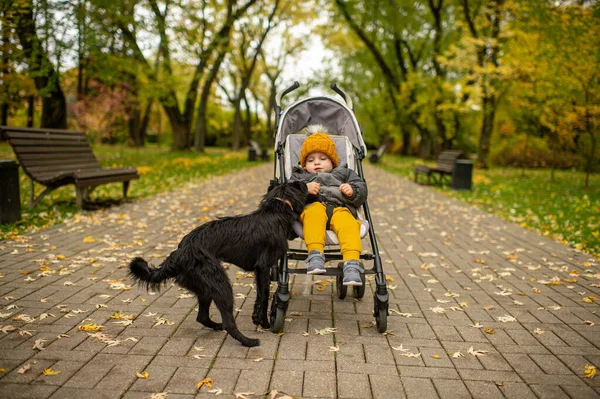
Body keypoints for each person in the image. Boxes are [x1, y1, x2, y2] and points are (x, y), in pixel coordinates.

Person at [290, 124, 367, 285]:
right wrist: (304, 189)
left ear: (333, 161)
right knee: (314, 213)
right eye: (311, 160)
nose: (317, 163)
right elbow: (286, 194)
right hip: (313, 207)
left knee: (350, 225)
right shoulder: (300, 176)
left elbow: (362, 189)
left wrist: (352, 190)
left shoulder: (345, 173)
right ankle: (316, 254)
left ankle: (352, 264)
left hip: (340, 209)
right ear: (304, 165)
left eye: (323, 159)